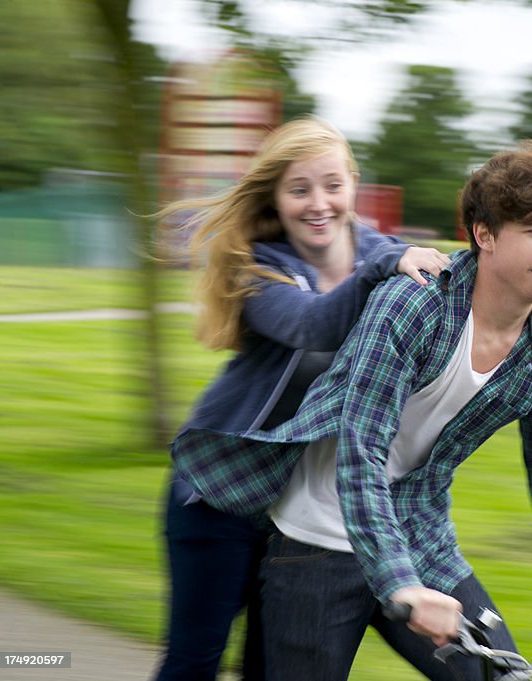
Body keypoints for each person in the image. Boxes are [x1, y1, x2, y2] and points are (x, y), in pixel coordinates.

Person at [172, 140, 532, 681]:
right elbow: (360, 447)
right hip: (317, 541)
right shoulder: (414, 304)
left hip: (421, 543)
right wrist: (398, 585)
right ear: (484, 235)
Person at [151, 116, 454, 681]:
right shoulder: (261, 271)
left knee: (270, 668)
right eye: (299, 189)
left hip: (290, 512)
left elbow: (464, 299)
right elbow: (314, 326)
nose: (319, 203)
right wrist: (382, 268)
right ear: (277, 197)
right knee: (195, 661)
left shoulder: (387, 254)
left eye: (333, 185)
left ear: (353, 186)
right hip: (219, 500)